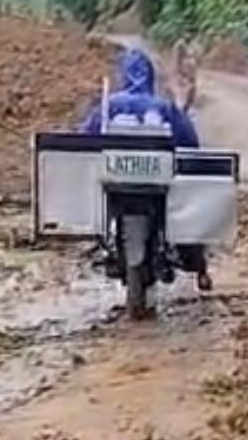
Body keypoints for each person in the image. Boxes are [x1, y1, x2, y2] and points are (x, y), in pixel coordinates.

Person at [82, 47, 211, 291]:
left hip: (116, 181)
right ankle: (195, 262)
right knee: (182, 214)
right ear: (151, 77)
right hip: (157, 183)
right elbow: (189, 141)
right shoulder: (164, 107)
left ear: (123, 75)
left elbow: (86, 139)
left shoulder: (109, 105)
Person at [171, 36, 198, 114]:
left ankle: (186, 109)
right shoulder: (180, 46)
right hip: (183, 74)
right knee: (183, 95)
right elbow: (176, 60)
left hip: (189, 74)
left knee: (190, 93)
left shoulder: (193, 46)